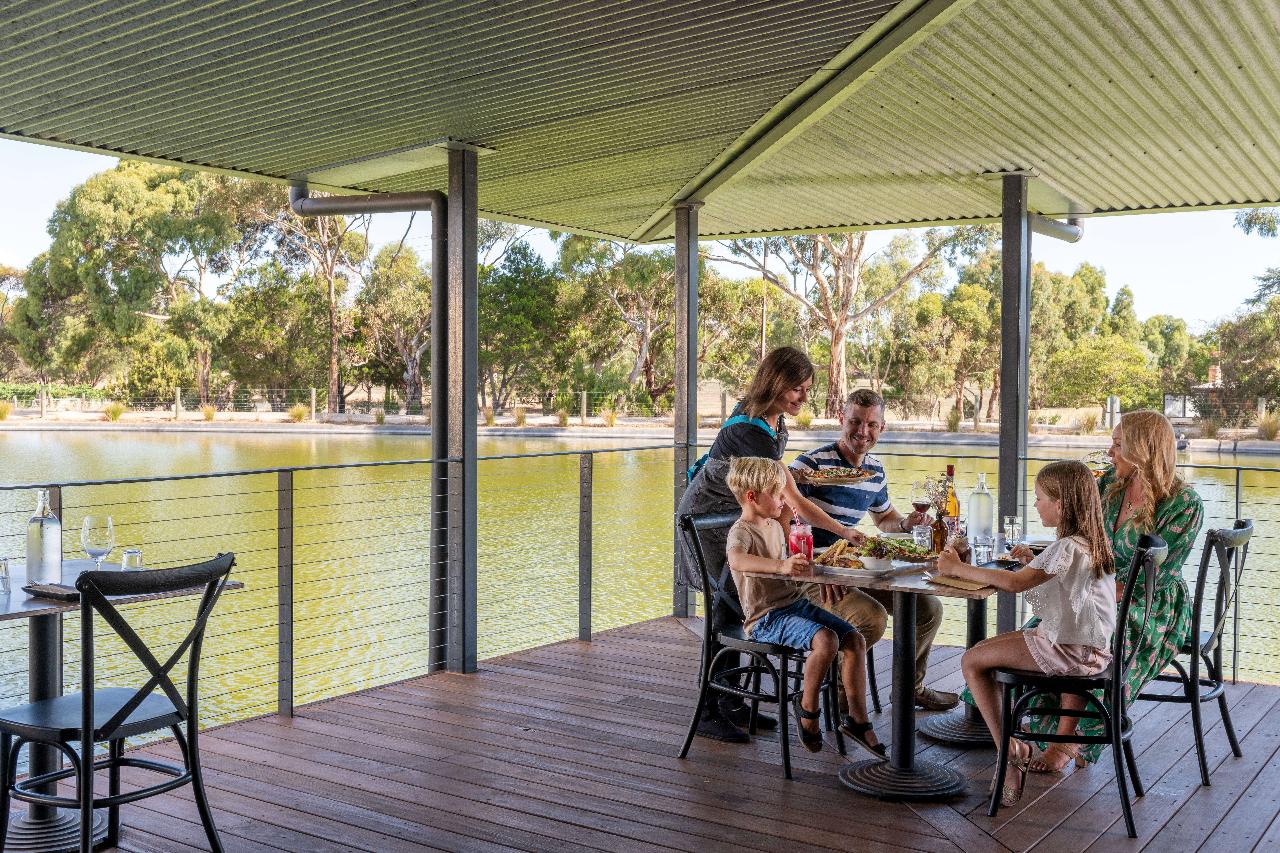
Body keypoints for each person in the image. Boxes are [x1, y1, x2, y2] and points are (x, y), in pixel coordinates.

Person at [677, 346, 869, 742]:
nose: (802, 396)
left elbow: (785, 497)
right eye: (796, 388)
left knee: (737, 604)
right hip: (711, 521)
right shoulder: (750, 430)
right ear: (776, 383)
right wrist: (841, 533)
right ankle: (711, 708)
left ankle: (734, 703)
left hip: (738, 512)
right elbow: (793, 501)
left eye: (806, 389)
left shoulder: (771, 421)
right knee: (727, 607)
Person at [1020, 410, 1204, 771]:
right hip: (1099, 592)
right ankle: (1040, 726)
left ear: (1143, 450)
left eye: (1118, 445)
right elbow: (1080, 540)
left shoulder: (1184, 504)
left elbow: (1156, 577)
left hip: (1151, 604)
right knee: (1044, 629)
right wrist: (1044, 557)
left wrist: (1086, 595)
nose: (1110, 451)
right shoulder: (1106, 486)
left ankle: (1066, 742)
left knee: (1086, 633)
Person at [935, 460, 1116, 806]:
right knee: (984, 653)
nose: (1035, 505)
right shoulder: (1088, 542)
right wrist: (1029, 559)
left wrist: (957, 568)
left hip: (1070, 652)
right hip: (1091, 650)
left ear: (1060, 504)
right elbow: (1054, 579)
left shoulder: (1066, 547)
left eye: (1039, 499)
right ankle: (1011, 749)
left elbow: (1016, 585)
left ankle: (1008, 753)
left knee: (973, 660)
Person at [789, 388, 958, 711]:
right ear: (841, 420)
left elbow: (884, 518)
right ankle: (840, 701)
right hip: (811, 572)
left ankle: (911, 687)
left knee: (928, 610)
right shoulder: (810, 465)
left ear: (882, 427)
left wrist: (908, 524)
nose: (862, 432)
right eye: (855, 422)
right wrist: (820, 571)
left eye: (871, 425)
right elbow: (783, 521)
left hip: (853, 569)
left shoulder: (875, 470)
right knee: (871, 618)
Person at [724, 456, 885, 758]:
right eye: (776, 493)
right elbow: (737, 560)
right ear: (752, 497)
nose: (783, 500)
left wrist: (813, 570)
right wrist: (782, 567)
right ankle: (808, 710)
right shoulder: (742, 530)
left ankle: (857, 719)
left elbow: (793, 564)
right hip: (766, 618)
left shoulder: (773, 524)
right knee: (826, 640)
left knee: (855, 639)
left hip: (794, 605)